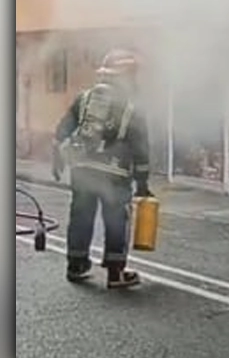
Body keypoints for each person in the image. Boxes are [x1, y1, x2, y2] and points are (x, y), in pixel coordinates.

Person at [54, 48, 153, 288]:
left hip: (82, 169)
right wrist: (142, 183)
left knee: (81, 217)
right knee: (116, 220)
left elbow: (62, 131)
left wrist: (59, 158)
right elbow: (141, 149)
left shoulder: (84, 98)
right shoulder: (132, 108)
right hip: (115, 174)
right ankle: (115, 274)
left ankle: (76, 266)